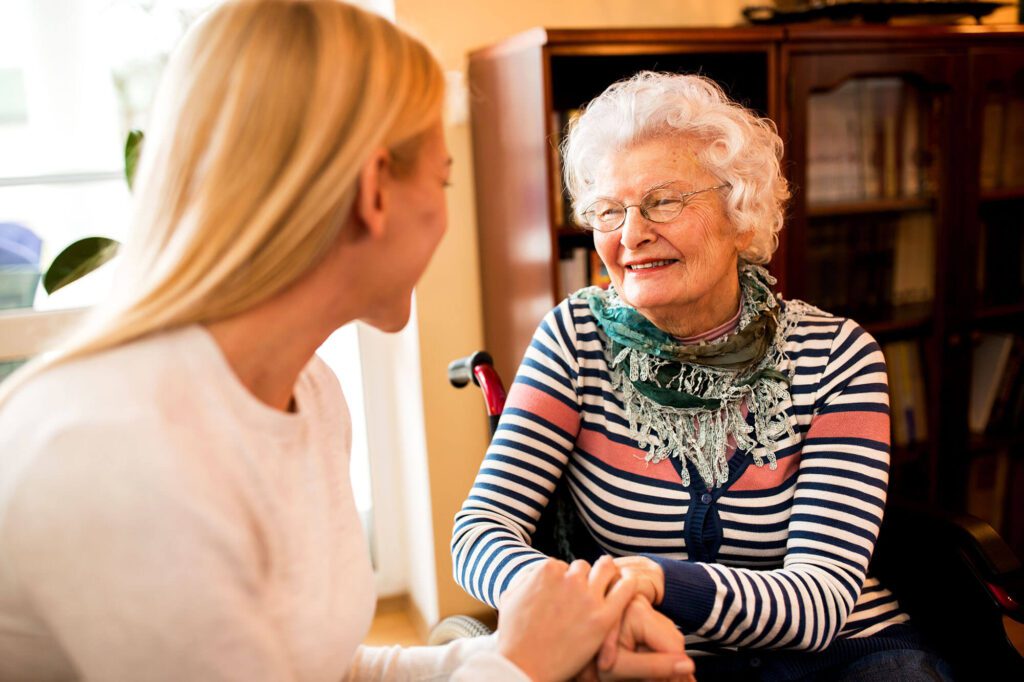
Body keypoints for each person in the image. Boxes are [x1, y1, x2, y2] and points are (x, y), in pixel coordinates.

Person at [0, 3, 697, 680]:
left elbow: (319, 667)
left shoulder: (309, 395)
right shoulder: (115, 451)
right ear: (375, 192)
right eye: (442, 178)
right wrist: (522, 665)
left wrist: (534, 649)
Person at [451, 72, 955, 681]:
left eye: (663, 201)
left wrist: (655, 581)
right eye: (609, 211)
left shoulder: (838, 355)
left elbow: (818, 603)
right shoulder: (575, 338)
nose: (631, 235)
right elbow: (479, 531)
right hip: (648, 655)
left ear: (741, 212)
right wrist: (575, 600)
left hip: (844, 656)